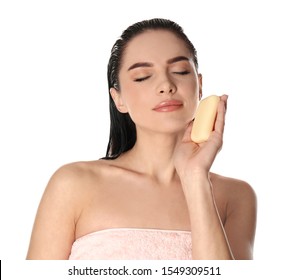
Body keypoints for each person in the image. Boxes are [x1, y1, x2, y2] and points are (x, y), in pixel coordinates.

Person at [26, 18, 257, 260]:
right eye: (143, 76)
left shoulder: (236, 197)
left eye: (179, 71)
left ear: (199, 85)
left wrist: (196, 179)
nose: (166, 85)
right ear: (119, 99)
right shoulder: (73, 185)